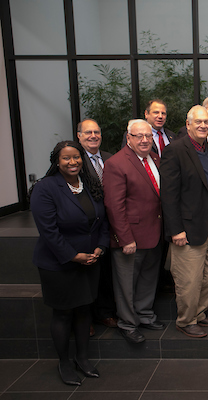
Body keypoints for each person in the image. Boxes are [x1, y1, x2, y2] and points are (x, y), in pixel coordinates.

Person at [30, 141, 109, 386]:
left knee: (84, 310)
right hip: (59, 264)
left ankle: (82, 359)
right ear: (57, 161)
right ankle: (64, 363)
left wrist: (100, 247)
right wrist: (74, 256)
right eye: (66, 158)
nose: (72, 162)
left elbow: (103, 221)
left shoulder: (90, 184)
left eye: (76, 157)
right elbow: (48, 231)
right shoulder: (45, 188)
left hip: (90, 260)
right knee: (63, 314)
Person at [160, 105, 208, 338]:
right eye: (198, 122)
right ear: (188, 124)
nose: (203, 126)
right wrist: (175, 229)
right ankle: (186, 320)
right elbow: (168, 195)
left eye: (206, 122)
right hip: (187, 227)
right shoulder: (175, 150)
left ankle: (199, 313)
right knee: (189, 277)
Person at [103, 119, 166, 344]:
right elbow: (114, 206)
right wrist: (125, 238)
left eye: (148, 136)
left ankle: (145, 315)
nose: (145, 140)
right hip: (130, 237)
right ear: (128, 138)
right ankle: (128, 324)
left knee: (148, 278)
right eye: (139, 136)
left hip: (154, 232)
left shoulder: (155, 159)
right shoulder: (116, 163)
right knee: (126, 284)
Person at [76, 119, 118, 331]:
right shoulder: (75, 160)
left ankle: (104, 313)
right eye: (88, 132)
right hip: (86, 226)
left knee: (106, 272)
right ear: (79, 136)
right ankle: (86, 318)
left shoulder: (111, 159)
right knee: (86, 274)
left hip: (110, 224)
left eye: (97, 132)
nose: (93, 136)